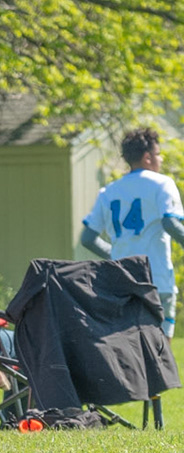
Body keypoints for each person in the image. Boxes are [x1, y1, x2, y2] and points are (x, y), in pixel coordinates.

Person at [81, 127, 184, 336]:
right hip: (156, 278)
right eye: (158, 154)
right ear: (147, 157)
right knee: (160, 351)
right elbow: (170, 224)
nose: (161, 159)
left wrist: (115, 254)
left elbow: (88, 238)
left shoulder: (108, 191)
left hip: (122, 279)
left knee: (129, 349)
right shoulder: (163, 183)